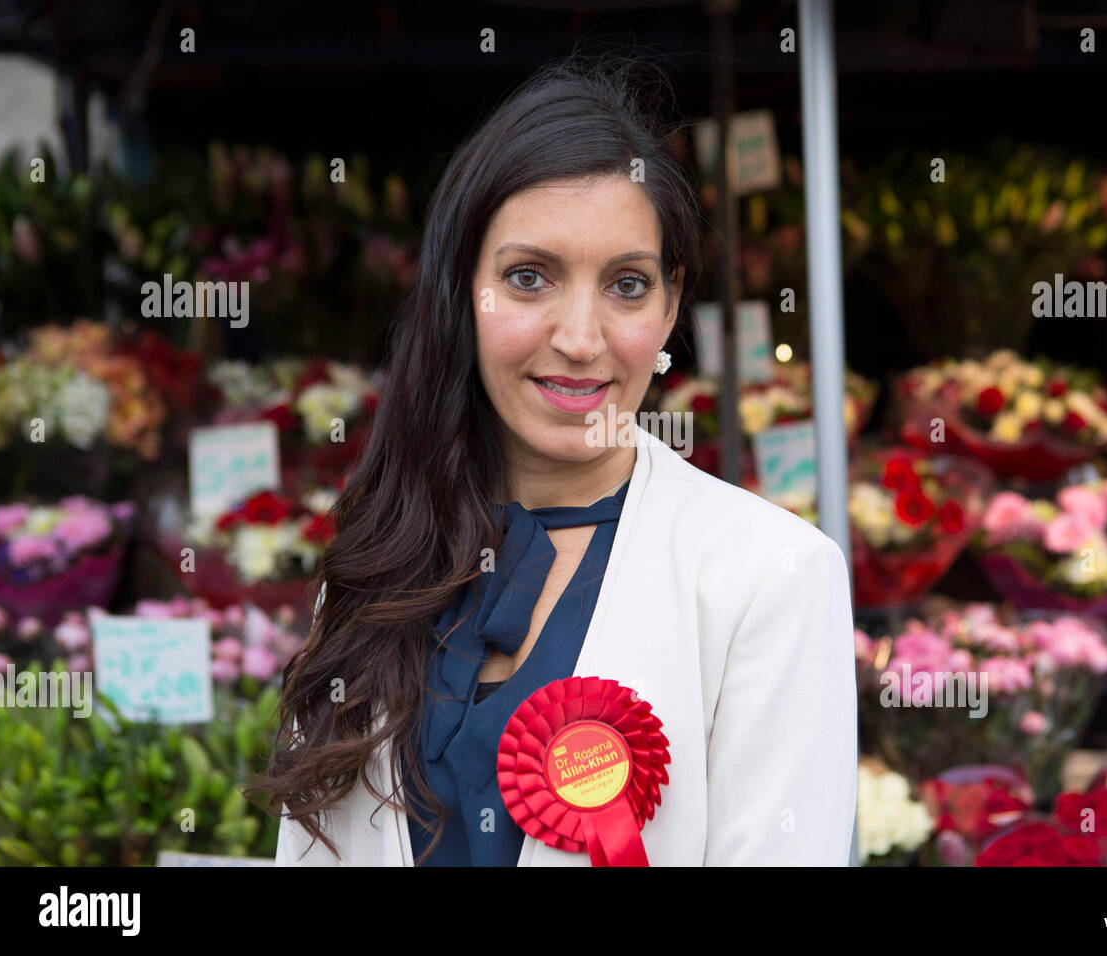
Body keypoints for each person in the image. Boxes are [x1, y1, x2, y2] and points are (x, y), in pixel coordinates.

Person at [255, 50, 856, 867]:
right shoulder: (373, 558)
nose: (580, 340)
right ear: (461, 290)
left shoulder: (771, 577)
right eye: (530, 277)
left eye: (627, 285)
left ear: (673, 302)